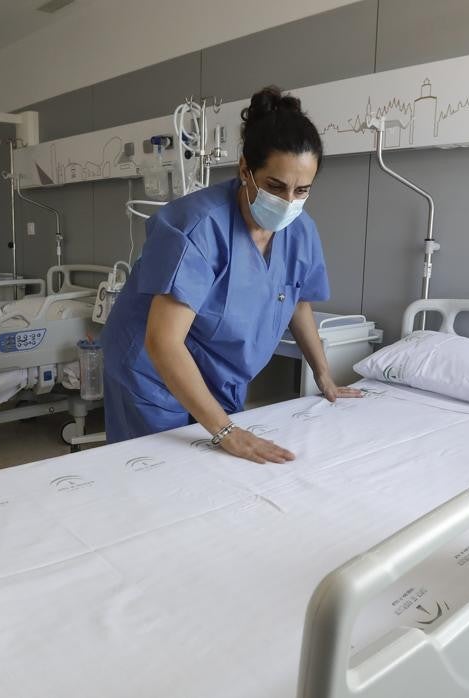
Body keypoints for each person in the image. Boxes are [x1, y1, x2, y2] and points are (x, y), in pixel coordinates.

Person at [101, 86, 362, 463]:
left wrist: (325, 377)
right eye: (275, 186)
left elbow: (296, 301)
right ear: (245, 170)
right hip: (151, 370)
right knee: (157, 474)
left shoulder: (300, 231)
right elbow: (163, 342)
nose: (288, 202)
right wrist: (226, 431)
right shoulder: (197, 228)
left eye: (302, 190)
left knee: (215, 472)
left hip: (219, 370)